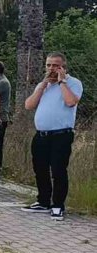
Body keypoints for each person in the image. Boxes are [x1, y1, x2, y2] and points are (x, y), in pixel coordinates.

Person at [21, 52, 83, 221]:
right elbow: (28, 105)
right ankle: (43, 201)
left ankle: (58, 205)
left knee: (58, 169)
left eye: (56, 65)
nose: (51, 68)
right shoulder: (44, 85)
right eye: (48, 65)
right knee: (40, 168)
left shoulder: (73, 83)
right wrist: (41, 86)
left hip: (61, 134)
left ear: (63, 67)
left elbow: (71, 102)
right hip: (41, 134)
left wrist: (62, 81)